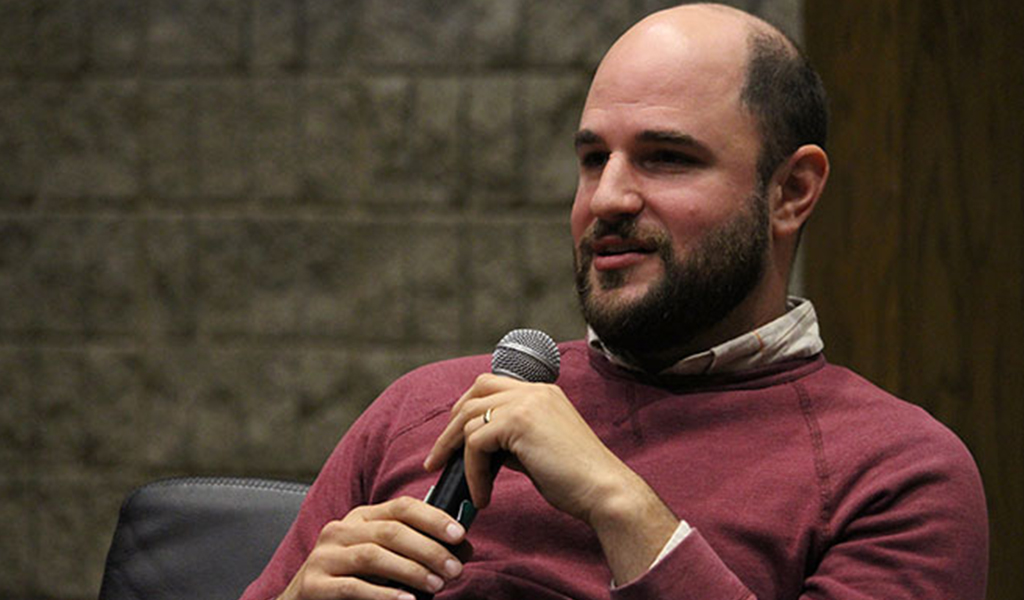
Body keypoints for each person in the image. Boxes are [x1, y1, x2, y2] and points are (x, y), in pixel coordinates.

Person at [240, 4, 988, 599]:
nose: (607, 197)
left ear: (790, 191)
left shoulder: (894, 473)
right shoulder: (425, 408)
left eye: (666, 158)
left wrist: (621, 507)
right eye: (594, 158)